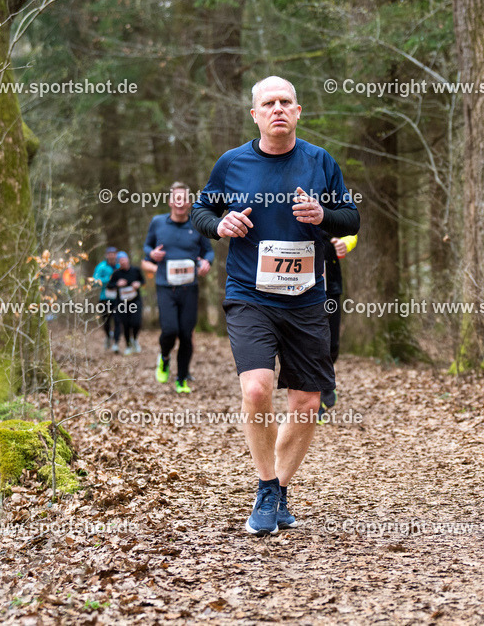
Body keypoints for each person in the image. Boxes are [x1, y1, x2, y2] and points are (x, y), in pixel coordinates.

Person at [191, 76, 360, 536]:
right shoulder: (233, 163)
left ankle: (278, 490)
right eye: (269, 103)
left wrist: (324, 216)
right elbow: (201, 211)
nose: (278, 108)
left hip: (307, 298)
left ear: (298, 111)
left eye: (286, 101)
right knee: (257, 390)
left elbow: (351, 217)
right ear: (255, 115)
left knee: (307, 402)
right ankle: (266, 486)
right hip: (250, 294)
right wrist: (220, 224)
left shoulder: (319, 162)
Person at [143, 182, 214, 393]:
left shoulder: (197, 224)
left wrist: (206, 262)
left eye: (184, 199)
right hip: (165, 286)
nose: (180, 203)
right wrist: (152, 254)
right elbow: (147, 248)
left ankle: (181, 378)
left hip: (189, 288)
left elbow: (208, 252)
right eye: (177, 198)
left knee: (185, 334)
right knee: (170, 330)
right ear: (170, 201)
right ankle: (164, 358)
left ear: (189, 202)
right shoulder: (157, 223)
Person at [317, 230, 357, 423]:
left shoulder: (332, 199)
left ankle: (326, 380)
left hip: (330, 284)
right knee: (308, 343)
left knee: (332, 345)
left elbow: (351, 231)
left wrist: (345, 243)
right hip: (299, 284)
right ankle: (315, 400)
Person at [110, 251, 144, 355]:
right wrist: (117, 283)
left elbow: (143, 281)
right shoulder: (116, 273)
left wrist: (138, 284)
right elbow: (109, 285)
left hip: (135, 301)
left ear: (128, 259)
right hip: (122, 303)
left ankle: (135, 339)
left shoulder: (136, 270)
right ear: (118, 262)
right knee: (126, 324)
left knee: (136, 322)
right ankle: (128, 345)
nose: (123, 262)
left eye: (124, 259)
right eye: (120, 261)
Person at [92, 246, 121, 352]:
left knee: (118, 321)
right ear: (106, 255)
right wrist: (108, 280)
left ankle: (116, 343)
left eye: (114, 253)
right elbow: (95, 281)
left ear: (116, 254)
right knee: (106, 321)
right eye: (110, 253)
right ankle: (108, 336)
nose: (112, 255)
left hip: (118, 299)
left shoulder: (119, 266)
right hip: (104, 298)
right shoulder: (101, 267)